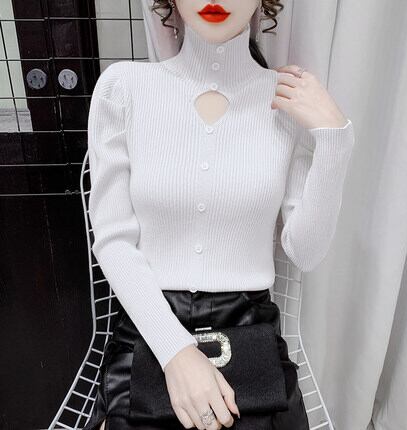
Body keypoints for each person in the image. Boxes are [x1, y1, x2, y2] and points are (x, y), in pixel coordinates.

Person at [82, 0, 355, 429]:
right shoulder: (124, 89)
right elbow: (113, 240)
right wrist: (176, 352)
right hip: (148, 328)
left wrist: (336, 141)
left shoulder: (288, 99)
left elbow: (305, 252)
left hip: (250, 328)